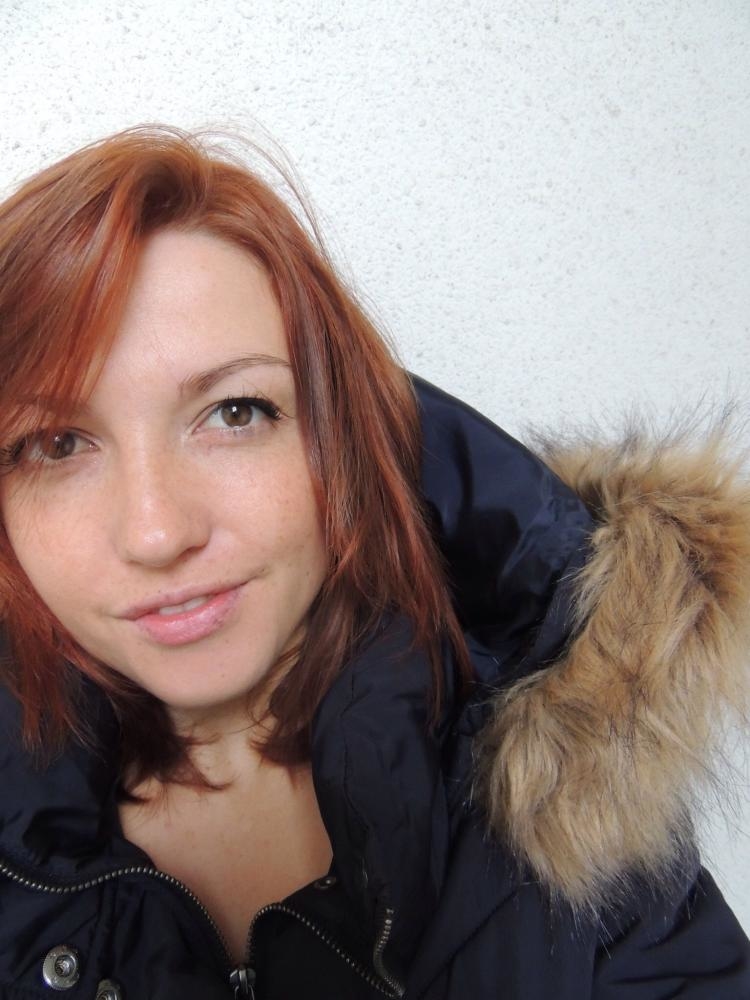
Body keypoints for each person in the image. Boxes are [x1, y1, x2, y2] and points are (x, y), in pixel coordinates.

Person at [0, 125, 747, 1000]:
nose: (157, 533)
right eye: (56, 444)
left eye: (235, 412)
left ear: (343, 438)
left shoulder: (571, 801)